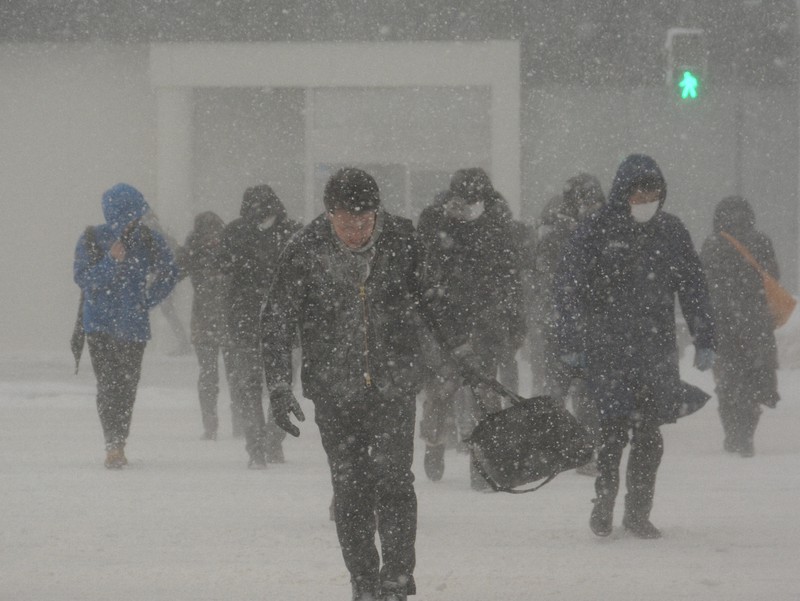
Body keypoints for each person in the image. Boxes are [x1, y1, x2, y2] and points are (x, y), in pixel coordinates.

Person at [262, 167, 444, 601]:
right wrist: (278, 385)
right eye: (346, 221)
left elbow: (435, 303)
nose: (356, 231)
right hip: (334, 388)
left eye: (365, 221)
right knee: (351, 488)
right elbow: (277, 319)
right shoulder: (305, 248)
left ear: (378, 213)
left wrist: (451, 360)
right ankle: (363, 581)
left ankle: (397, 579)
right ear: (329, 216)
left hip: (393, 384)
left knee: (396, 483)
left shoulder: (403, 241)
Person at [554, 154, 715, 539]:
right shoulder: (595, 230)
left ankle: (638, 512)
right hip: (608, 347)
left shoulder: (671, 232)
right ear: (623, 191)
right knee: (612, 431)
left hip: (656, 349)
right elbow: (568, 286)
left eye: (654, 191)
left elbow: (693, 285)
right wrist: (571, 339)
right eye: (640, 191)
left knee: (649, 434)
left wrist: (704, 334)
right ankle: (605, 502)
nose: (647, 198)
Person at [415, 168, 523, 488]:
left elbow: (510, 280)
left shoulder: (498, 229)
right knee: (440, 392)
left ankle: (483, 465)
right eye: (461, 201)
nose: (466, 208)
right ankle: (435, 443)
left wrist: (513, 324)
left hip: (483, 324)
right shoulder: (434, 225)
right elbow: (423, 277)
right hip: (442, 325)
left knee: (484, 396)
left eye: (474, 201)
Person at [73, 183, 179, 469]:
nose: (135, 219)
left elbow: (171, 272)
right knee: (108, 385)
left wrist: (147, 299)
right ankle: (113, 444)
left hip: (133, 327)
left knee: (127, 387)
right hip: (100, 326)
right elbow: (84, 279)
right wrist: (111, 261)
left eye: (137, 214)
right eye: (132, 214)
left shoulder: (149, 240)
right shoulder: (92, 239)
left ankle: (119, 441)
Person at [529, 174, 606, 475]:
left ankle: (580, 450)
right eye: (586, 199)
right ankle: (564, 449)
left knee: (581, 389)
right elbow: (548, 277)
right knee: (561, 388)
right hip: (560, 320)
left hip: (574, 320)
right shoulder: (560, 233)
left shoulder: (594, 230)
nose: (591, 205)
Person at [222, 184, 302, 467]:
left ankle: (257, 447)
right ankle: (271, 442)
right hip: (281, 322)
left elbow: (224, 274)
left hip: (245, 321)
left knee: (249, 388)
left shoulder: (234, 233)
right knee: (280, 386)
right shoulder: (293, 233)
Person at [700, 196, 781, 457]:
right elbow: (773, 277)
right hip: (756, 323)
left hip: (723, 324)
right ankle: (746, 434)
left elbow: (702, 284)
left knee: (727, 380)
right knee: (753, 378)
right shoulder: (761, 241)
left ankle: (733, 433)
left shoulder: (713, 244)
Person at [177, 211, 235, 440]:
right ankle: (237, 421)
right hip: (228, 319)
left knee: (210, 374)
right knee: (232, 374)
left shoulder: (196, 247)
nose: (212, 237)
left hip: (206, 319)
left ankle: (211, 424)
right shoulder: (228, 244)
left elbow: (177, 270)